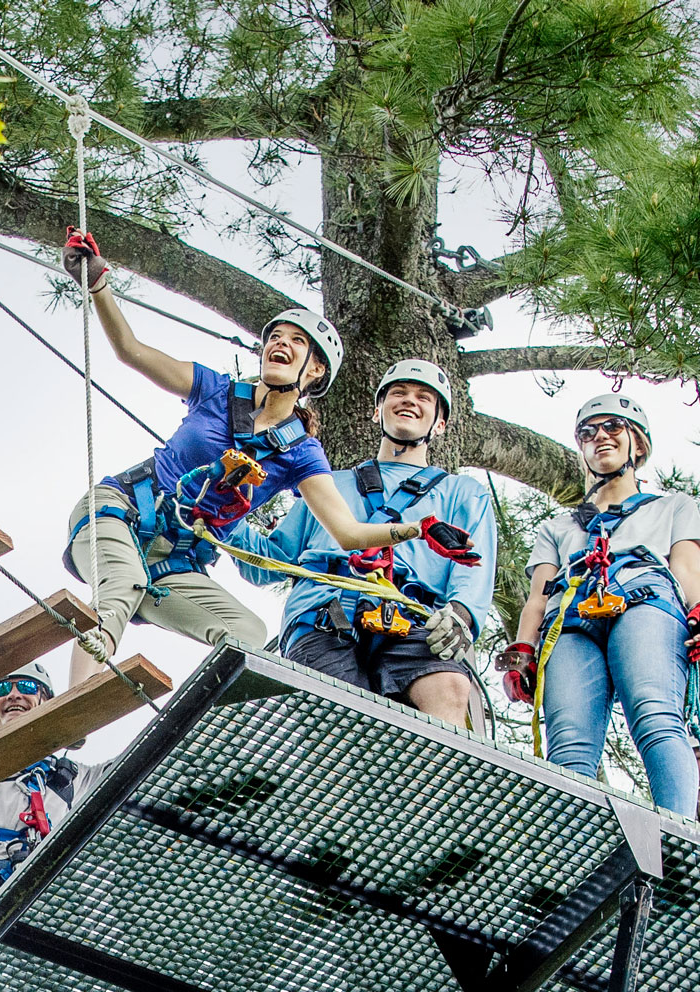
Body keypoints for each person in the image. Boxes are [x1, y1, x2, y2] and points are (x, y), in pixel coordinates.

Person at [58, 229, 480, 686]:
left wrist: (416, 529)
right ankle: (73, 712)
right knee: (119, 587)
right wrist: (97, 284)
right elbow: (132, 352)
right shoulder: (215, 391)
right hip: (121, 510)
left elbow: (349, 532)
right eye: (275, 337)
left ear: (315, 369)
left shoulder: (301, 453)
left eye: (296, 342)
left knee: (249, 634)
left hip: (175, 560)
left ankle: (208, 730)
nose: (280, 344)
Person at [230, 356, 494, 727]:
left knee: (448, 687)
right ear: (377, 411)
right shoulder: (325, 483)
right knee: (342, 730)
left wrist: (462, 616)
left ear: (440, 424)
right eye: (398, 393)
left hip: (415, 613)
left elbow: (474, 566)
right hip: (324, 613)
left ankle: (434, 781)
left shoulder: (462, 493)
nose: (409, 401)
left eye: (424, 398)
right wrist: (221, 515)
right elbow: (272, 559)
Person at [498, 394, 700, 816]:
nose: (600, 437)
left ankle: (679, 835)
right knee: (568, 740)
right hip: (570, 621)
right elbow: (537, 597)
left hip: (644, 601)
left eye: (613, 428)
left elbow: (687, 567)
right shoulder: (558, 527)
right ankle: (574, 860)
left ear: (638, 444)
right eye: (588, 432)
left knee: (655, 715)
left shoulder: (671, 506)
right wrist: (522, 650)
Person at [0, 671, 105, 935]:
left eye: (26, 686)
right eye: (2, 690)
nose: (13, 695)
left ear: (45, 701)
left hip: (52, 884)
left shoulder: (70, 776)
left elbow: (136, 765)